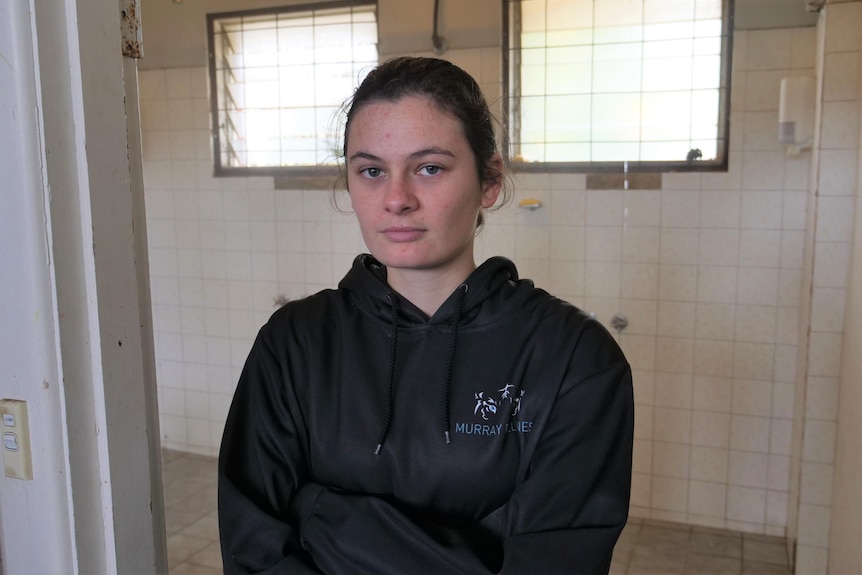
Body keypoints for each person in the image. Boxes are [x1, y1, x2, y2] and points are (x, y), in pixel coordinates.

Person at [218, 56, 634, 574]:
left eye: (429, 168)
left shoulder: (573, 358)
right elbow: (254, 546)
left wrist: (324, 518)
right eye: (371, 171)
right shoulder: (295, 344)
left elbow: (558, 558)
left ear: (490, 181)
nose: (396, 199)